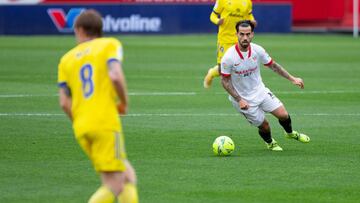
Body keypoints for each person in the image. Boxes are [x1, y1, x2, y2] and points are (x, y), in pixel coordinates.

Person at [58, 9, 139, 202]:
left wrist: (80, 121)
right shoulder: (109, 44)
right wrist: (124, 103)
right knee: (115, 184)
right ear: (100, 29)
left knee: (128, 176)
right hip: (104, 123)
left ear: (78, 30)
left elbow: (63, 102)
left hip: (81, 127)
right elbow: (116, 76)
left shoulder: (66, 59)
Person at [220, 20, 310, 151]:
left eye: (248, 34)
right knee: (265, 126)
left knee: (283, 115)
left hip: (260, 91)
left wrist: (292, 78)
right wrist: (239, 100)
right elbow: (225, 81)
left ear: (252, 34)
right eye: (241, 34)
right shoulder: (228, 57)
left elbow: (273, 65)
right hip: (243, 99)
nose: (245, 37)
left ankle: (290, 133)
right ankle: (270, 142)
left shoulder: (257, 50)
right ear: (236, 34)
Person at [204, 0, 257, 88]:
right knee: (222, 68)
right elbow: (212, 15)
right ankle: (212, 73)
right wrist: (217, 21)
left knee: (241, 65)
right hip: (225, 38)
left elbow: (249, 15)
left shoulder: (247, 1)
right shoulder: (222, 1)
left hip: (240, 38)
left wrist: (252, 20)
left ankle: (241, 89)